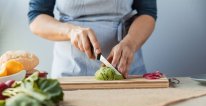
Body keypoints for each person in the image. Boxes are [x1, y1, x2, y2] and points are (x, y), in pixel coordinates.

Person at [28, 0, 157, 78]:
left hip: (126, 72)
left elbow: (147, 12)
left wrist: (131, 42)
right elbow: (36, 17)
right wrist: (70, 31)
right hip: (70, 75)